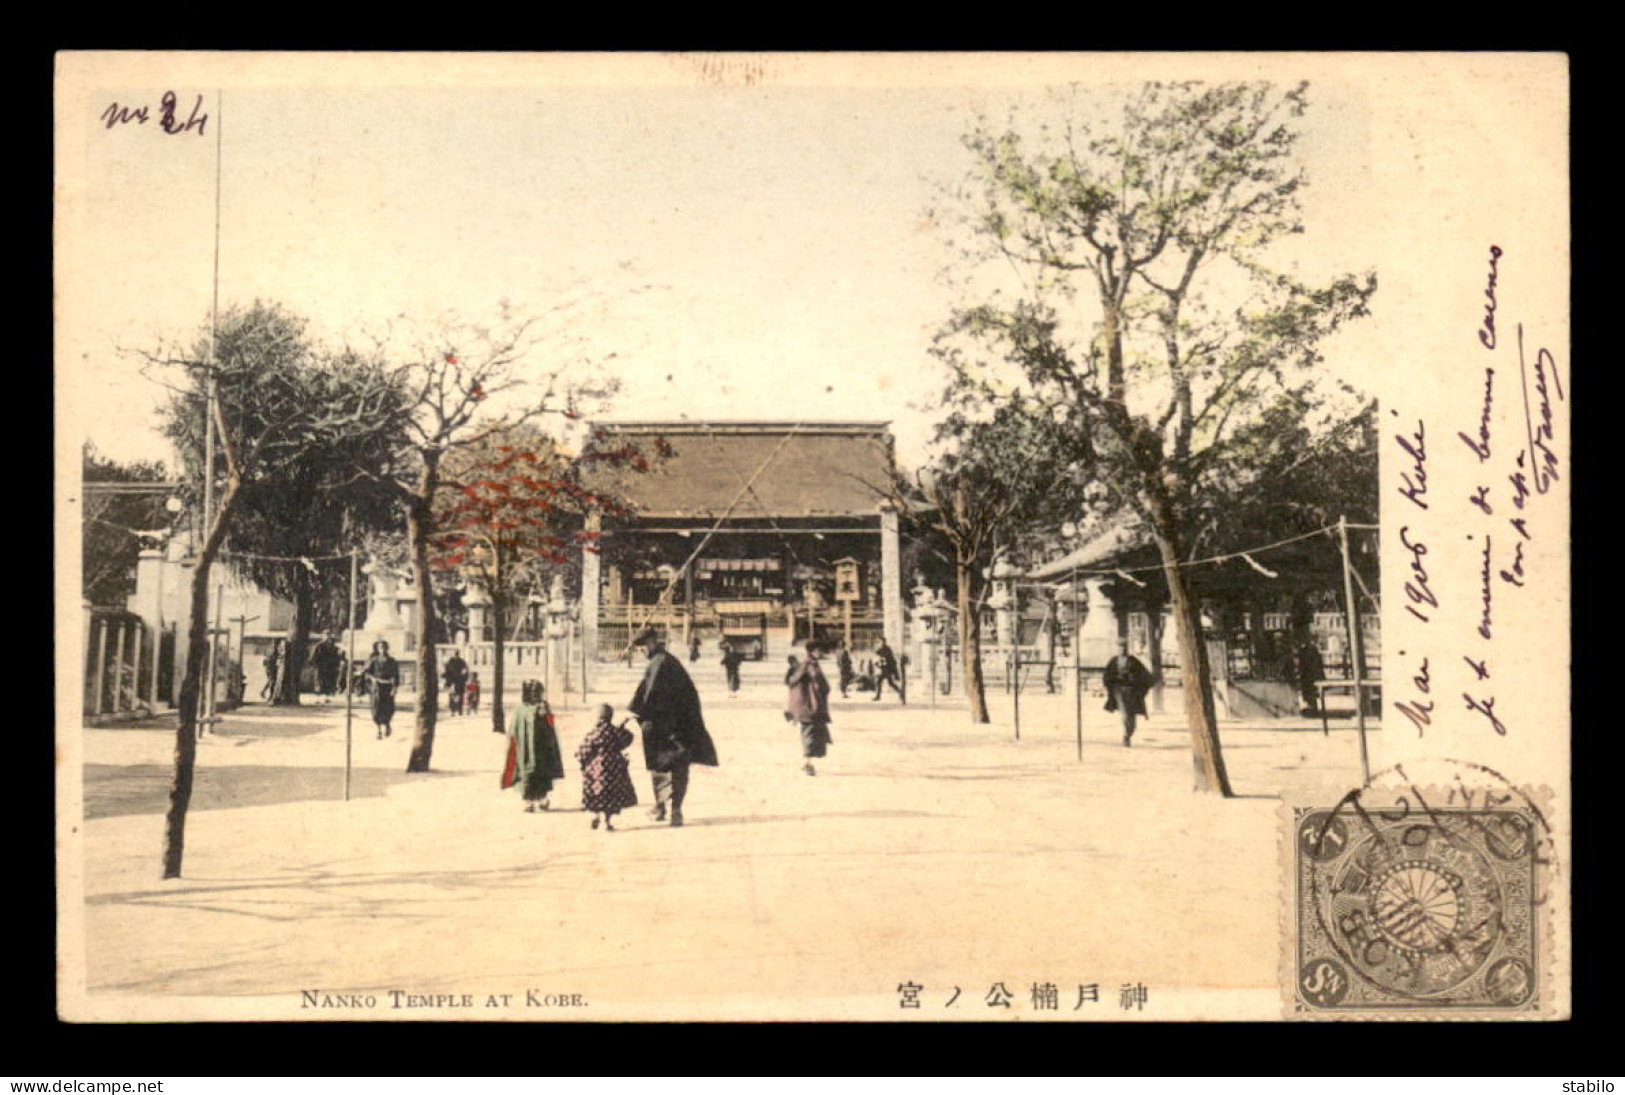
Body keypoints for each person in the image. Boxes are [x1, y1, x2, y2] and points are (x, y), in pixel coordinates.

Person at [629, 629, 718, 828]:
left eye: (641, 647)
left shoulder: (658, 663)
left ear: (651, 642)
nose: (641, 652)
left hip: (663, 727)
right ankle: (675, 809)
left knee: (659, 766)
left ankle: (662, 807)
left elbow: (648, 695)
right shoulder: (669, 661)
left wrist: (635, 713)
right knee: (679, 766)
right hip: (682, 726)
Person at [501, 679, 565, 812]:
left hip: (526, 752)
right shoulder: (540, 708)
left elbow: (513, 731)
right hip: (540, 751)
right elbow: (550, 725)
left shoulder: (520, 710)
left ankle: (532, 801)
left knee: (528, 775)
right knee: (537, 775)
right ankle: (538, 800)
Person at [577, 703, 639, 832]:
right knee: (611, 795)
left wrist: (582, 761)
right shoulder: (615, 732)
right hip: (615, 768)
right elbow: (628, 739)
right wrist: (621, 726)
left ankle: (595, 815)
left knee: (596, 792)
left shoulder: (594, 733)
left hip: (596, 769)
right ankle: (607, 822)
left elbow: (584, 749)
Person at [785, 640, 833, 776]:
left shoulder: (808, 664)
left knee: (811, 732)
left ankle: (808, 763)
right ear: (811, 651)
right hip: (809, 704)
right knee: (810, 733)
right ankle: (807, 764)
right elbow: (816, 680)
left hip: (808, 704)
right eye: (818, 650)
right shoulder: (809, 664)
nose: (820, 653)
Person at [1103, 640, 1154, 747]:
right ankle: (1126, 736)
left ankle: (1128, 734)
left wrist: (1135, 681)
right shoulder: (1114, 661)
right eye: (1120, 648)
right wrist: (1112, 684)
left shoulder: (1133, 661)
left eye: (1124, 647)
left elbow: (1145, 676)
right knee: (1125, 713)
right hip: (1119, 690)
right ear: (1117, 649)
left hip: (1131, 692)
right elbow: (1107, 676)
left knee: (1131, 716)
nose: (1122, 650)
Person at [364, 640, 400, 740]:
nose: (382, 650)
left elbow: (396, 675)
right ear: (377, 649)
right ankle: (378, 730)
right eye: (380, 648)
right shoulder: (373, 660)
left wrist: (394, 688)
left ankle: (387, 725)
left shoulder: (392, 661)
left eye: (384, 647)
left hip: (387, 687)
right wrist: (373, 679)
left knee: (388, 708)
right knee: (376, 709)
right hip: (376, 688)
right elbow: (367, 673)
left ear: (387, 648)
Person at [310, 631, 343, 704]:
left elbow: (337, 657)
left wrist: (336, 665)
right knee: (319, 681)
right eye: (326, 635)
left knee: (328, 682)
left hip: (330, 667)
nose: (327, 637)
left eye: (329, 635)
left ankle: (326, 697)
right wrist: (315, 665)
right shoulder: (319, 646)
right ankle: (317, 698)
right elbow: (314, 656)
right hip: (321, 666)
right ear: (323, 636)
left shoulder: (333, 647)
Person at [1295, 639, 1325, 716]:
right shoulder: (1310, 649)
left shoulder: (1308, 650)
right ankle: (1312, 707)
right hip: (1308, 675)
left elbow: (1312, 664)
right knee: (1309, 692)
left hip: (1309, 675)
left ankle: (1312, 708)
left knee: (1310, 692)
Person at [872, 638, 906, 704]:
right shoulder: (881, 649)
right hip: (885, 668)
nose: (881, 643)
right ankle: (900, 693)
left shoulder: (887, 649)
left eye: (882, 641)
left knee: (881, 681)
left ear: (884, 642)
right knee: (889, 683)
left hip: (887, 668)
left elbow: (888, 658)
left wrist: (881, 661)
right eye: (880, 642)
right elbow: (877, 655)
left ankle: (878, 696)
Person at [442, 648, 470, 717]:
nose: (456, 654)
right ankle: (453, 710)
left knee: (458, 696)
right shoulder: (451, 662)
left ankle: (458, 710)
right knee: (453, 696)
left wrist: (464, 678)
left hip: (458, 682)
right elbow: (446, 671)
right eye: (455, 653)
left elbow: (466, 671)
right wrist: (447, 680)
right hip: (453, 682)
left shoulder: (461, 662)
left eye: (457, 653)